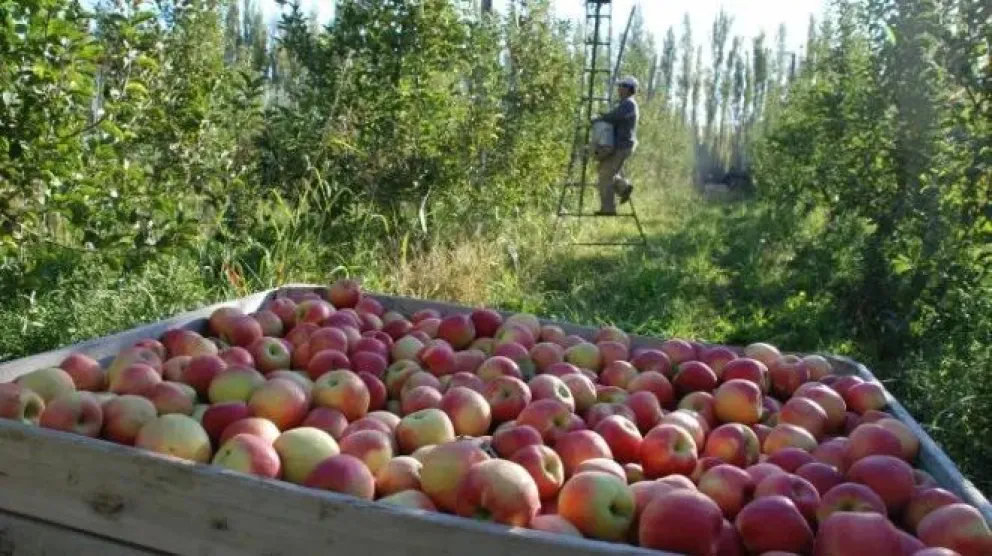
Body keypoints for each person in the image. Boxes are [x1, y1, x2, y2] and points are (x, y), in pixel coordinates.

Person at [592, 76, 639, 215]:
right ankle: (624, 188)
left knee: (605, 175)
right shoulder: (625, 103)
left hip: (622, 146)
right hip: (622, 145)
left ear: (630, 89)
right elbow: (614, 116)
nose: (619, 88)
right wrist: (603, 116)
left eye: (622, 86)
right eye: (619, 86)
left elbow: (614, 117)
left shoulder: (629, 104)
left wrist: (598, 119)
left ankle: (608, 209)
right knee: (603, 169)